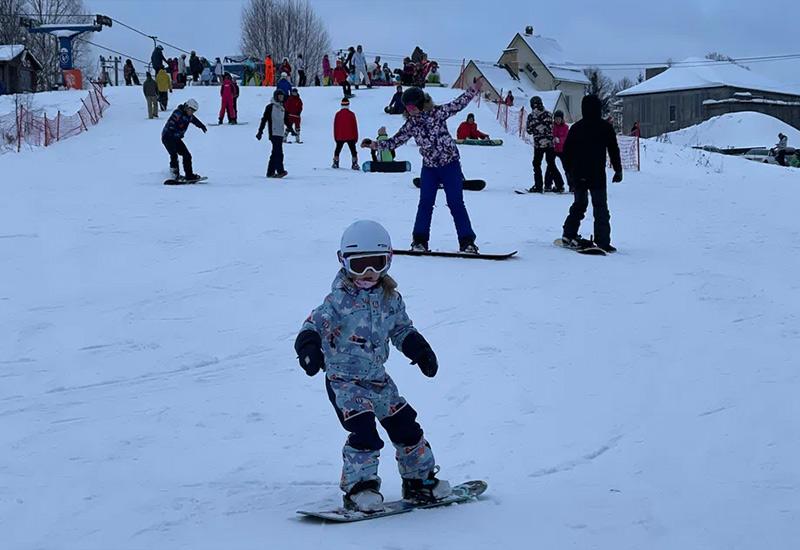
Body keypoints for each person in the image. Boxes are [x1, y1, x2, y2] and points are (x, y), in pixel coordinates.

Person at [294, 219, 451, 513]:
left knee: (406, 427)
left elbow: (402, 329)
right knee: (364, 432)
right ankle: (360, 488)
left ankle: (419, 481)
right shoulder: (338, 301)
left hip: (378, 379)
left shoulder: (390, 298)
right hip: (345, 382)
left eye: (376, 264)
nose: (369, 273)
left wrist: (420, 350)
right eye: (360, 265)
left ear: (388, 261)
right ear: (344, 263)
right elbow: (313, 324)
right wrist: (308, 347)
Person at [369, 79, 483, 253]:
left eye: (412, 106)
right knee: (425, 203)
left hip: (450, 165)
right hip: (429, 168)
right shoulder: (412, 124)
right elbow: (395, 141)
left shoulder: (438, 113)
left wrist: (473, 90)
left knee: (456, 203)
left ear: (421, 103)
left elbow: (458, 104)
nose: (409, 110)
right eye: (407, 107)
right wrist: (375, 145)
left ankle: (467, 242)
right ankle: (420, 241)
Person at [560, 94, 622, 254]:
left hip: (578, 173)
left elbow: (565, 153)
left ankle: (568, 234)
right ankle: (603, 241)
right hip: (597, 174)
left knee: (579, 205)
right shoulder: (605, 127)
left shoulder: (576, 128)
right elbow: (614, 150)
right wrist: (618, 170)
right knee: (600, 207)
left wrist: (569, 173)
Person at [525, 96, 564, 193]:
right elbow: (553, 127)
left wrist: (536, 129)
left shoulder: (531, 116)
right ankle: (559, 185)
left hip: (538, 144)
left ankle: (538, 186)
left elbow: (529, 130)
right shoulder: (549, 114)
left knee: (537, 164)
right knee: (551, 164)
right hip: (549, 144)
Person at [162, 98, 207, 181]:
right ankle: (174, 175)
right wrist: (174, 133)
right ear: (187, 107)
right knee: (173, 154)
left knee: (187, 155)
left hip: (176, 138)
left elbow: (194, 120)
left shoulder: (189, 116)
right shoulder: (177, 113)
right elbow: (171, 125)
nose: (192, 113)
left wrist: (201, 126)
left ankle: (189, 175)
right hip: (168, 137)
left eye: (194, 111)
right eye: (191, 110)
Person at [256, 89, 288, 178]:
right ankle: (280, 170)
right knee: (279, 153)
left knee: (275, 153)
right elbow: (264, 119)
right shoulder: (270, 107)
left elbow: (285, 120)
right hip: (273, 133)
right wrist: (260, 131)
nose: (281, 98)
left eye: (282, 96)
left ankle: (270, 172)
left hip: (280, 133)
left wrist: (291, 129)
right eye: (279, 96)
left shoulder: (282, 108)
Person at [333, 97, 359, 170]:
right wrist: (356, 137)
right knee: (353, 151)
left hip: (340, 136)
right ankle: (355, 163)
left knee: (337, 150)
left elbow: (335, 127)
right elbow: (354, 126)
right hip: (351, 136)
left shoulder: (337, 114)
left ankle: (336, 162)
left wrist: (336, 137)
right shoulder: (351, 114)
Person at [552, 110, 571, 192]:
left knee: (567, 168)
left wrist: (559, 139)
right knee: (551, 166)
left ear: (562, 119)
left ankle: (572, 185)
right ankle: (556, 184)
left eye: (559, 119)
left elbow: (567, 138)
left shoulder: (566, 127)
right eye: (556, 119)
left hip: (564, 150)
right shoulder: (552, 126)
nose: (557, 120)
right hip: (554, 149)